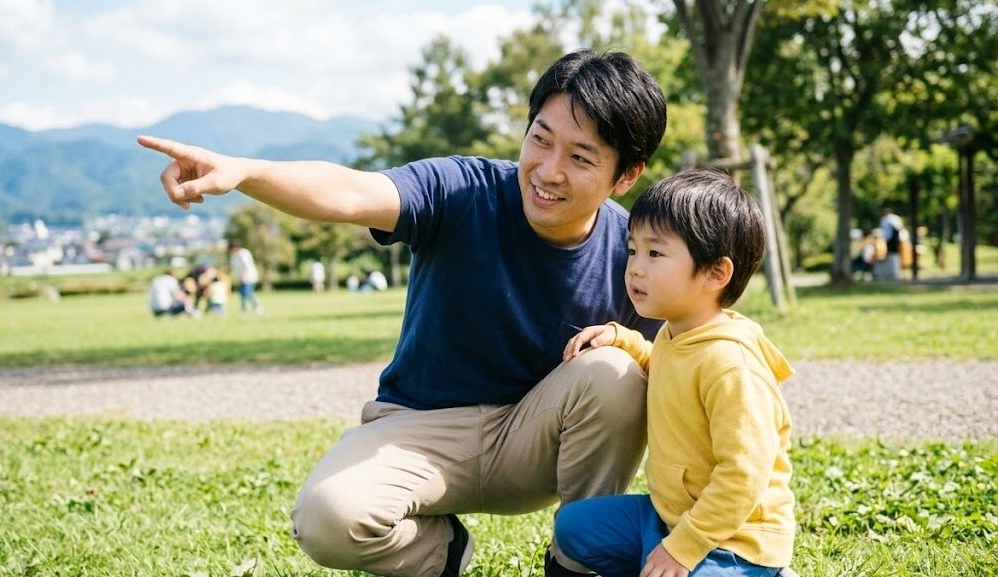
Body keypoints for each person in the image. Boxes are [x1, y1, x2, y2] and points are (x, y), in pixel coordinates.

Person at [138, 48, 667, 577]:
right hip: (422, 430)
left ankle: (578, 562)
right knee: (328, 516)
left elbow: (687, 370)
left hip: (537, 442)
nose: (548, 170)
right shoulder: (463, 190)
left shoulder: (633, 255)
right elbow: (350, 191)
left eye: (580, 157)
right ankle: (442, 556)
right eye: (540, 139)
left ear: (626, 175)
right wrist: (243, 171)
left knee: (619, 370)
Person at [556, 170, 795, 577]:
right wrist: (622, 339)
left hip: (733, 540)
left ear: (716, 273)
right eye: (632, 251)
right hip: (669, 514)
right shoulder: (678, 333)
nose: (634, 268)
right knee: (573, 528)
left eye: (655, 254)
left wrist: (683, 549)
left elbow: (743, 476)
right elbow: (667, 370)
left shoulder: (730, 364)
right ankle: (661, 554)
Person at [228, 239, 263, 314]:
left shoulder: (244, 254)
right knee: (243, 294)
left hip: (249, 277)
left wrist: (245, 277)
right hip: (240, 278)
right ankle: (247, 309)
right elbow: (233, 267)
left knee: (247, 292)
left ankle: (255, 307)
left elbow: (247, 266)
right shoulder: (233, 256)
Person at [878, 208, 903, 281]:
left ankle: (894, 272)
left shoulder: (892, 219)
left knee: (893, 254)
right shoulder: (886, 219)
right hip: (889, 239)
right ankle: (892, 271)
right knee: (891, 254)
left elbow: (896, 230)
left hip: (893, 240)